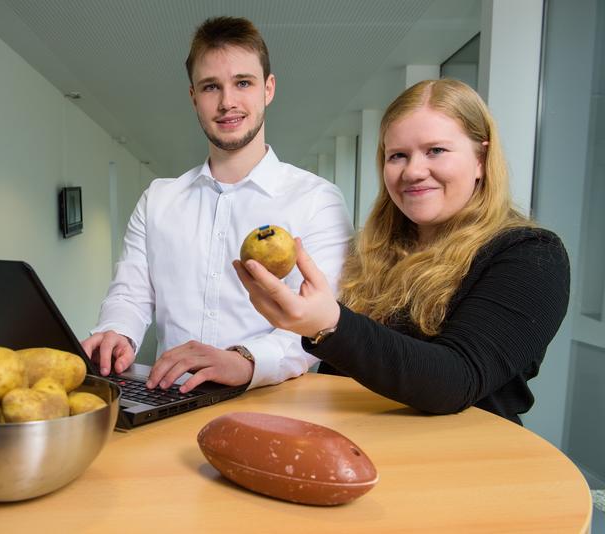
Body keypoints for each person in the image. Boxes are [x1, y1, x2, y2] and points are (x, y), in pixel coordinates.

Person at [234, 79, 570, 424]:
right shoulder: (373, 254)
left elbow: (456, 379)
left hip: (462, 467)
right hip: (360, 455)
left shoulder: (532, 255)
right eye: (398, 156)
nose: (413, 171)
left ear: (481, 159)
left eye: (436, 150)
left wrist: (329, 324)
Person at [82, 16, 354, 393]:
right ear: (194, 96)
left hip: (274, 405)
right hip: (169, 398)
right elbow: (130, 293)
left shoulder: (318, 201)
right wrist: (117, 332)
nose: (228, 102)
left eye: (243, 83)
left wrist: (243, 360)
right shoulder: (158, 200)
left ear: (268, 89)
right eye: (211, 87)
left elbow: (321, 325)